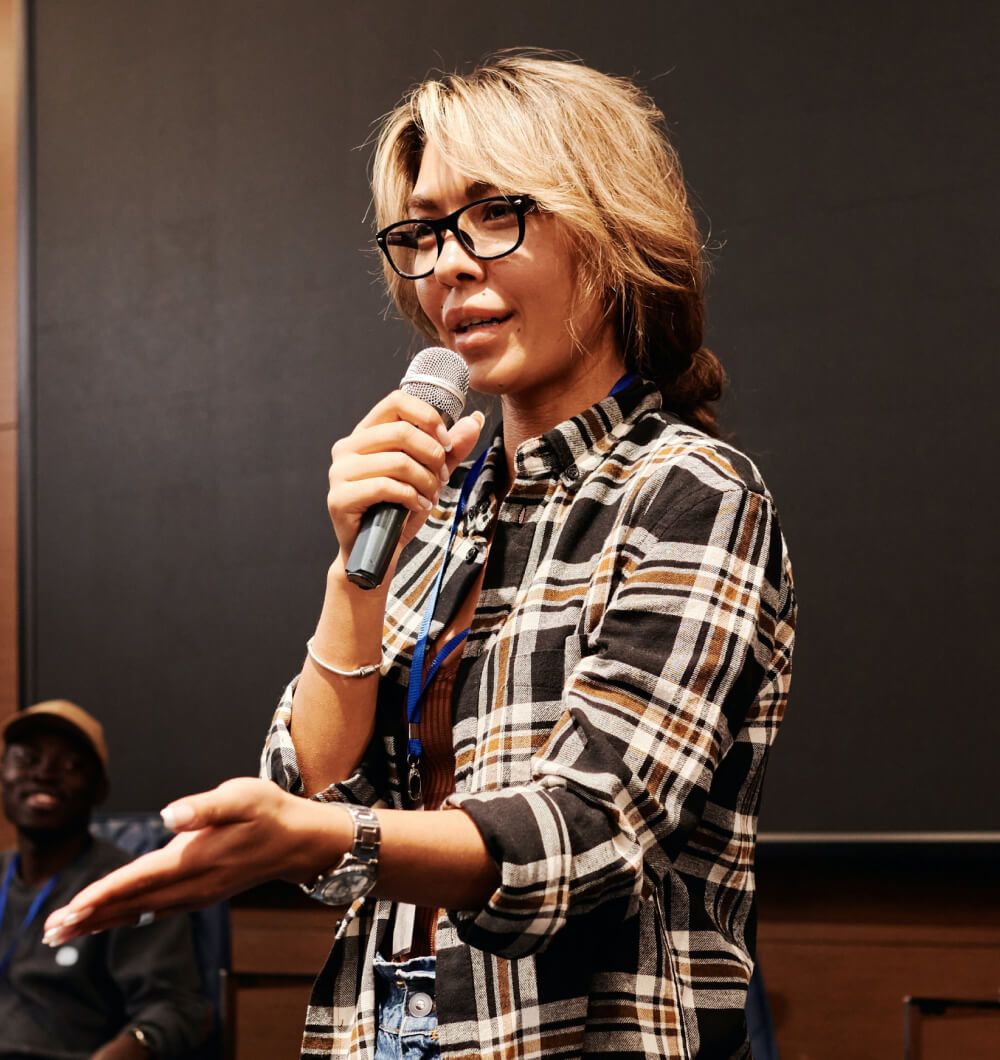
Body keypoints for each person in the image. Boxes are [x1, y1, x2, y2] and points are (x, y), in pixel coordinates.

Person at [44, 51, 796, 1059]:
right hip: (384, 1030)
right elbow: (308, 793)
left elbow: (590, 832)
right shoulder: (436, 510)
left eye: (493, 214)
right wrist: (352, 575)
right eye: (423, 231)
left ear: (610, 229)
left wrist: (325, 836)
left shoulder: (690, 489)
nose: (447, 263)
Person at [0, 700, 211, 1059]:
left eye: (71, 765)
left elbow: (177, 1010)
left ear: (99, 789)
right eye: (27, 759)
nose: (44, 774)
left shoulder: (131, 886)